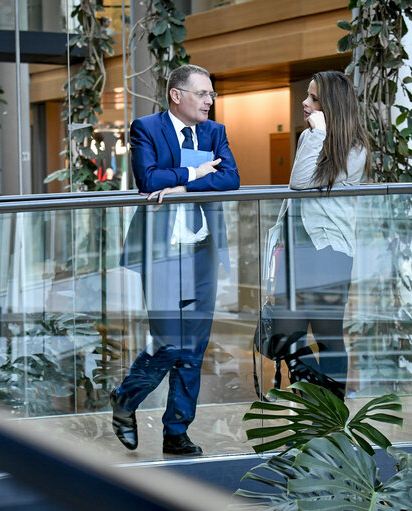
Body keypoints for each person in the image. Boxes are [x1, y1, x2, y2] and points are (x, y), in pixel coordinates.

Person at [113, 64, 240, 455]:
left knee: (195, 346)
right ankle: (125, 399)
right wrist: (196, 170)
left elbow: (231, 178)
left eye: (211, 95)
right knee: (168, 342)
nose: (209, 101)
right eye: (202, 94)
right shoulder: (146, 128)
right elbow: (148, 180)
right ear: (176, 95)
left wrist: (183, 183)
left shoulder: (215, 132)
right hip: (162, 254)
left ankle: (176, 431)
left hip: (202, 251)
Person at [268, 70, 369, 400]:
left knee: (328, 334)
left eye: (313, 98)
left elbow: (300, 184)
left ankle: (331, 414)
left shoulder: (354, 149)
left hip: (328, 250)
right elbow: (299, 183)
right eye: (307, 96)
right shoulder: (310, 136)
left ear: (332, 105)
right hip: (295, 250)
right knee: (284, 334)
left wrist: (319, 134)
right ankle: (312, 393)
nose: (305, 102)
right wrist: (316, 135)